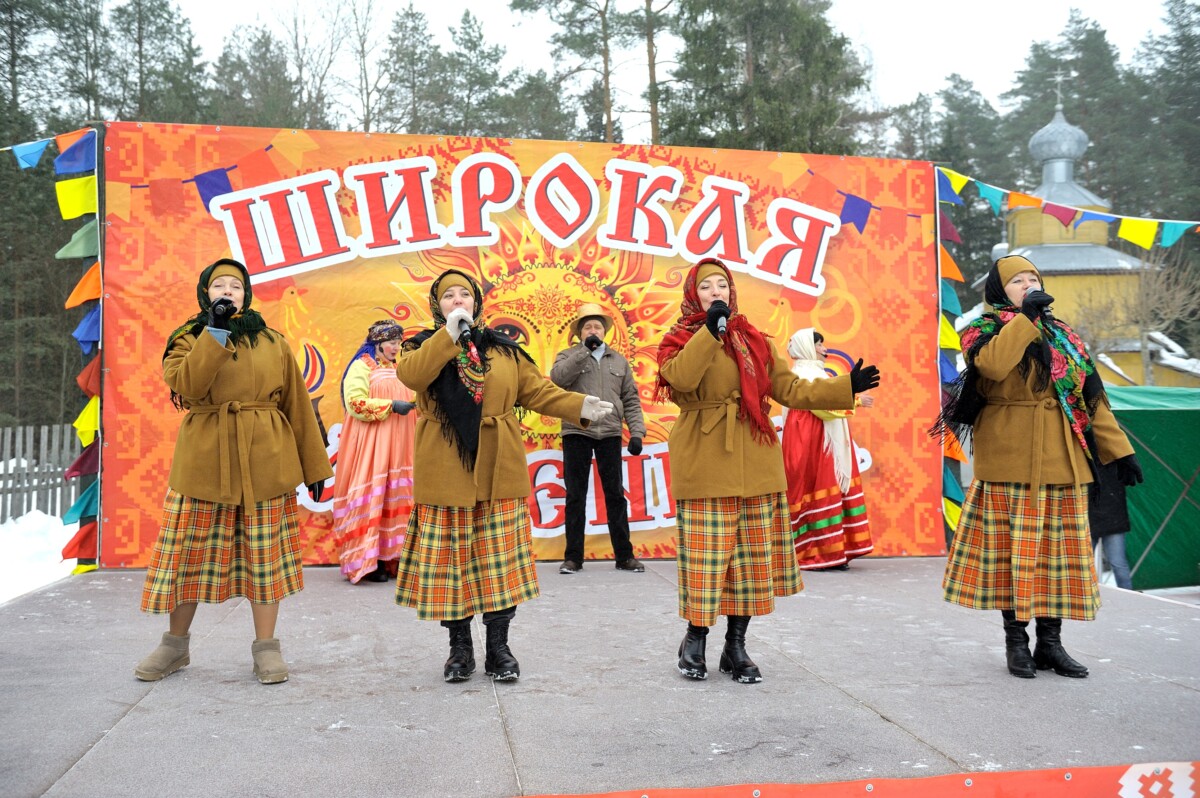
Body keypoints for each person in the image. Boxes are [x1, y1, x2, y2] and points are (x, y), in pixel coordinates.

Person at [655, 258, 880, 683]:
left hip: (756, 458)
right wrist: (710, 330)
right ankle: (695, 638)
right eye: (707, 287)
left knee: (751, 560)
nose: (716, 292)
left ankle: (736, 646)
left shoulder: (754, 339)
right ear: (693, 294)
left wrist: (845, 385)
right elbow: (681, 379)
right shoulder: (679, 337)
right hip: (704, 458)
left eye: (722, 285)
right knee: (707, 560)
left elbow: (790, 388)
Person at [394, 269, 613, 683]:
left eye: (465, 295)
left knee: (498, 565)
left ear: (477, 303)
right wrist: (448, 336)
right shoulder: (421, 346)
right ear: (437, 305)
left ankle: (499, 647)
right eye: (448, 296)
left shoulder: (504, 350)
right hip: (445, 467)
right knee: (451, 565)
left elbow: (537, 392)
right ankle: (460, 649)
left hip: (500, 466)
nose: (458, 301)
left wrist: (580, 406)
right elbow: (412, 376)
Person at [935, 254, 1143, 680]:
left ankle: (1051, 644)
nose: (1028, 284)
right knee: (1014, 558)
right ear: (999, 290)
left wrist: (1119, 451)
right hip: (1009, 459)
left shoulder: (1065, 335)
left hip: (1064, 462)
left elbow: (1089, 397)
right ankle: (1017, 642)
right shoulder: (983, 328)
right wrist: (1024, 319)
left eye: (1033, 278)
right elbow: (992, 366)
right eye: (1017, 281)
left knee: (1057, 560)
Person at [135, 258, 332, 685]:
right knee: (188, 556)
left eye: (236, 286)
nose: (228, 292)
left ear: (247, 293)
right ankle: (174, 646)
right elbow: (188, 386)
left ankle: (266, 650)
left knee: (265, 560)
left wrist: (315, 467)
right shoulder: (186, 339)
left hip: (266, 460)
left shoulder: (273, 341)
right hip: (205, 460)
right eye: (219, 286)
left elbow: (297, 405)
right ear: (205, 293)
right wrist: (215, 332)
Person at [550, 302, 648, 574]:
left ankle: (625, 556)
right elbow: (557, 380)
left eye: (597, 327)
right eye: (587, 327)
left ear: (605, 331)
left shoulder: (618, 361)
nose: (593, 330)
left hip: (610, 433)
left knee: (615, 494)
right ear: (579, 332)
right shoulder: (568, 355)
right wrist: (584, 351)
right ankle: (573, 558)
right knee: (575, 496)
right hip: (577, 431)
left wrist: (637, 432)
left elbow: (630, 399)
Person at [331, 320, 417, 584]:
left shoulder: (400, 369)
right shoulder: (362, 366)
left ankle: (394, 556)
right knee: (374, 496)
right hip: (373, 442)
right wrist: (391, 405)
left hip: (401, 444)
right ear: (378, 342)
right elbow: (355, 402)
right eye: (391, 342)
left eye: (398, 343)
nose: (395, 347)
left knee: (396, 495)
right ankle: (371, 560)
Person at [781, 328, 875, 570]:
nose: (825, 349)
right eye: (820, 345)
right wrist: (854, 400)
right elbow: (821, 407)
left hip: (817, 437)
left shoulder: (811, 372)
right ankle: (817, 553)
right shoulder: (805, 374)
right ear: (807, 348)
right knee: (817, 486)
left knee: (820, 487)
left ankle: (833, 551)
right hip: (812, 440)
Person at [1089, 459, 1134, 590]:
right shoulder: (1118, 461)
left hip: (1107, 519)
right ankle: (1129, 598)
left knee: (1117, 564)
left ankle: (1129, 598)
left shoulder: (1117, 462)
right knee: (1118, 564)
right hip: (1109, 519)